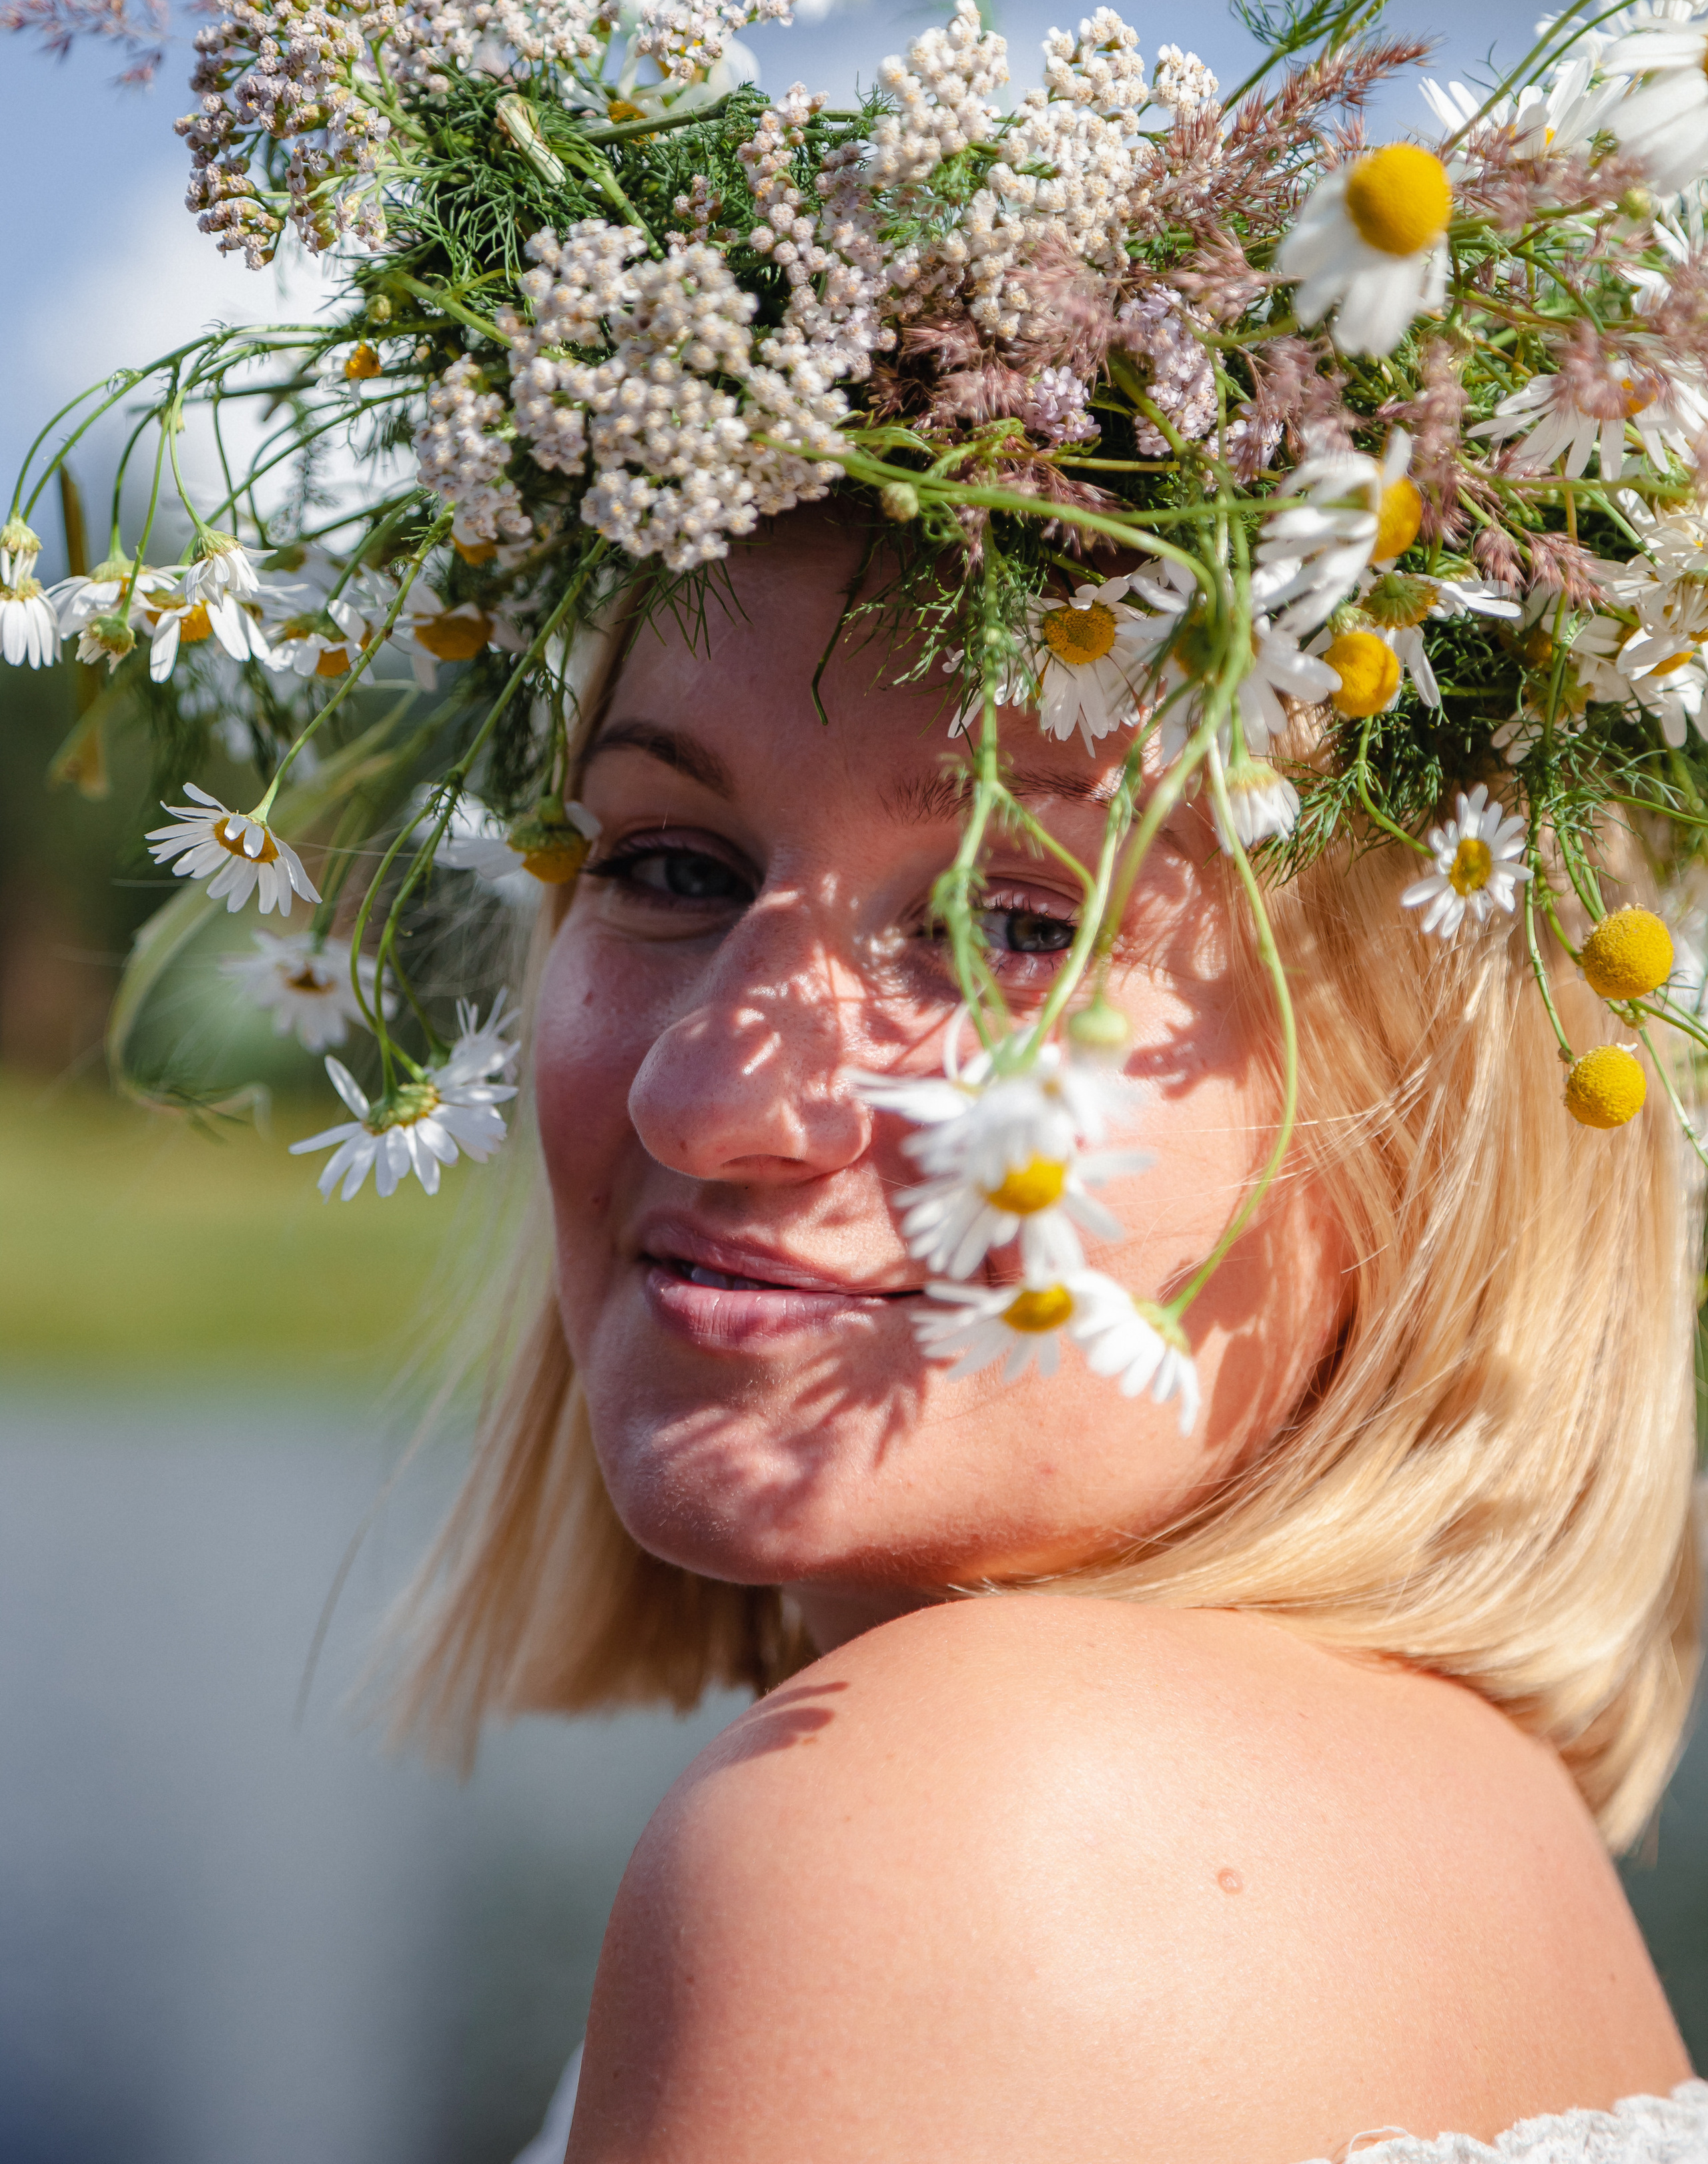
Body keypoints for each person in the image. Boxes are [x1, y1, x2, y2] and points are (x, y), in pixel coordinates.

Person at [391, 510, 1705, 2164]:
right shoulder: (1466, 1817)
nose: (711, 1099)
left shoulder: (935, 1830)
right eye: (672, 869)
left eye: (1015, 926)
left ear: (1421, 1107)